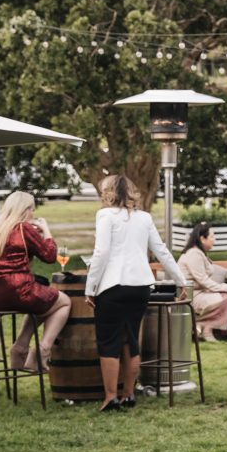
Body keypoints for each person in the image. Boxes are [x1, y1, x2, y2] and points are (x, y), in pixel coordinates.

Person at [85, 174, 187, 412]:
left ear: (109, 193)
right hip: (140, 286)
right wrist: (180, 280)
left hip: (112, 286)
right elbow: (161, 250)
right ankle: (129, 394)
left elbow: (101, 253)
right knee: (131, 339)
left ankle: (111, 397)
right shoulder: (144, 218)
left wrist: (90, 288)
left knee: (109, 341)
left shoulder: (105, 215)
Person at [0, 190, 73, 370]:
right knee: (64, 301)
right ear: (26, 209)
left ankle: (20, 347)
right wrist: (46, 231)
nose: (33, 214)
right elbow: (50, 256)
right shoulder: (23, 229)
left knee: (41, 300)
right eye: (32, 210)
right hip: (18, 292)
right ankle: (43, 350)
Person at [178, 223, 227, 342]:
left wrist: (226, 288)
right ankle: (204, 326)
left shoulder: (199, 253)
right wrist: (226, 287)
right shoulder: (194, 254)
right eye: (212, 236)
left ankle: (208, 329)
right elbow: (203, 280)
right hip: (190, 295)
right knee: (225, 299)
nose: (214, 239)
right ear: (202, 239)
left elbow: (204, 281)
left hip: (200, 291)